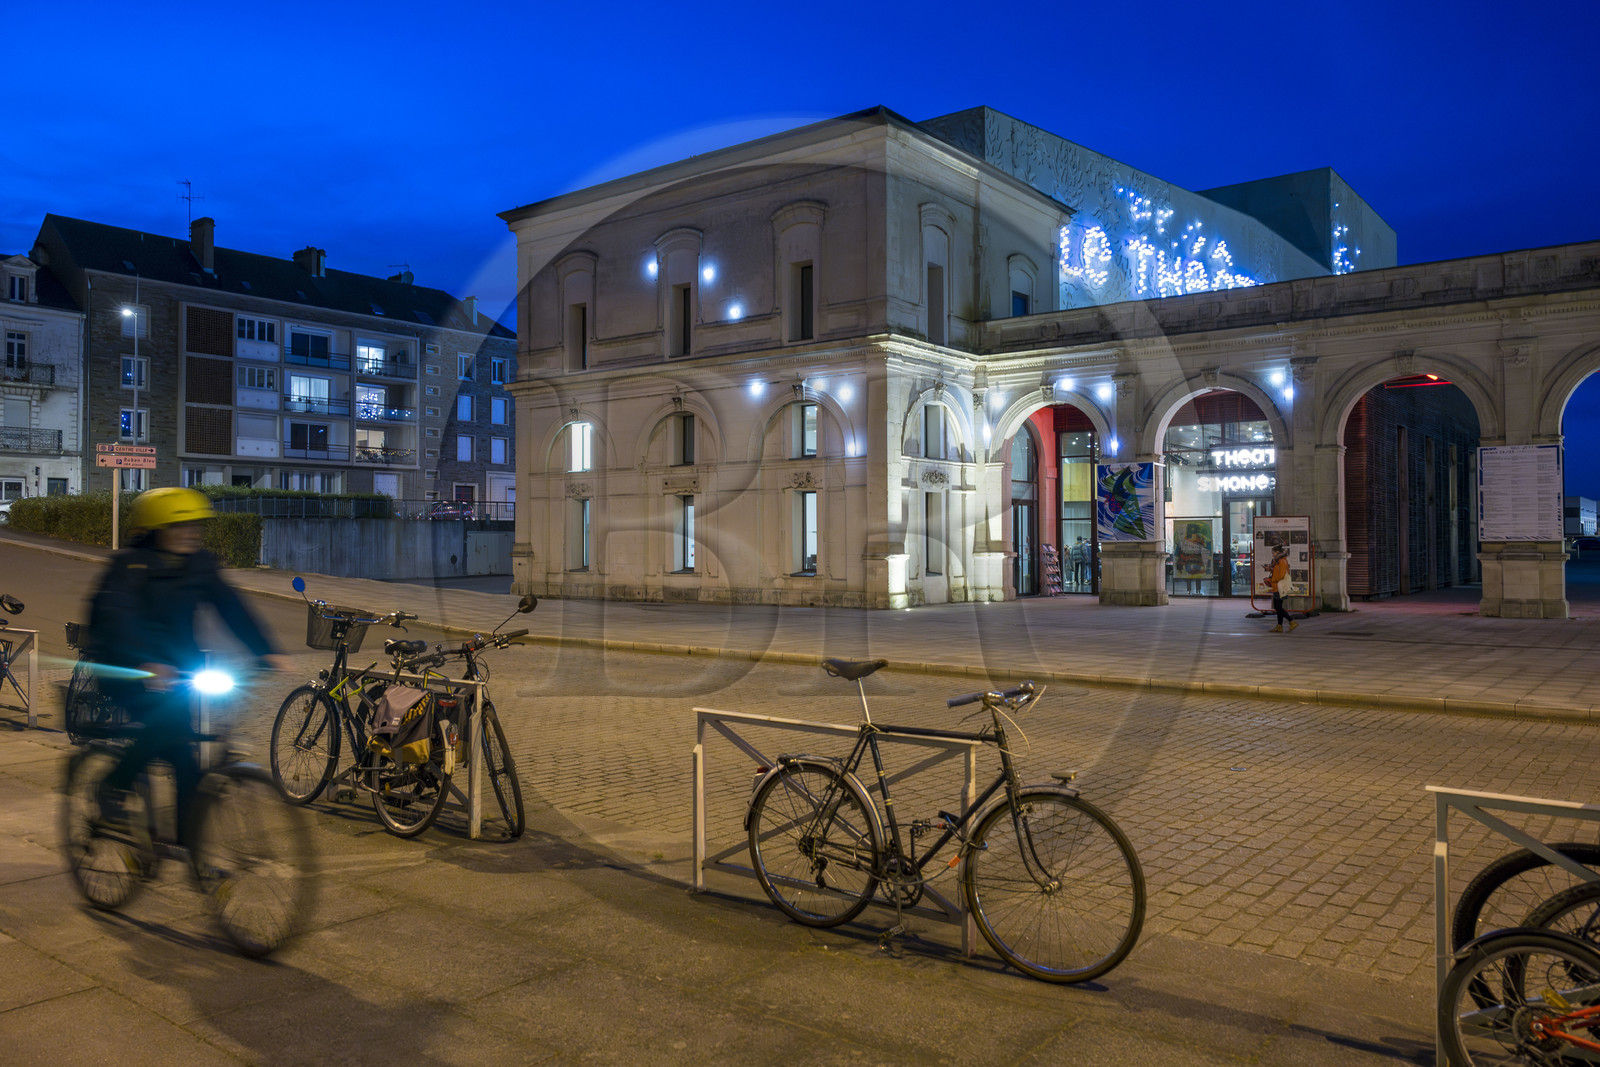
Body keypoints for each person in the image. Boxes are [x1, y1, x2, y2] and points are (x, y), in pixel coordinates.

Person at [88, 488, 290, 842]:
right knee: (161, 729)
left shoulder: (200, 564)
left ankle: (188, 846)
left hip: (178, 670)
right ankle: (111, 787)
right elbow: (118, 617)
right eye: (180, 526)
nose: (191, 533)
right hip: (124, 668)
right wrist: (144, 661)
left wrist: (265, 650)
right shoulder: (128, 567)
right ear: (155, 530)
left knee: (186, 759)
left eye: (196, 526)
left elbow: (230, 605)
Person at [1265, 543, 1297, 633]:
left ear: (1278, 552)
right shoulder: (1280, 561)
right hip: (1277, 587)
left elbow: (1282, 575)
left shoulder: (1281, 561)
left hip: (1279, 586)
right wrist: (1270, 570)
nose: (1272, 554)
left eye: (1273, 553)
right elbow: (1278, 572)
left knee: (1278, 607)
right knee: (1278, 607)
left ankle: (1291, 621)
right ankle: (1279, 626)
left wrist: (1273, 580)